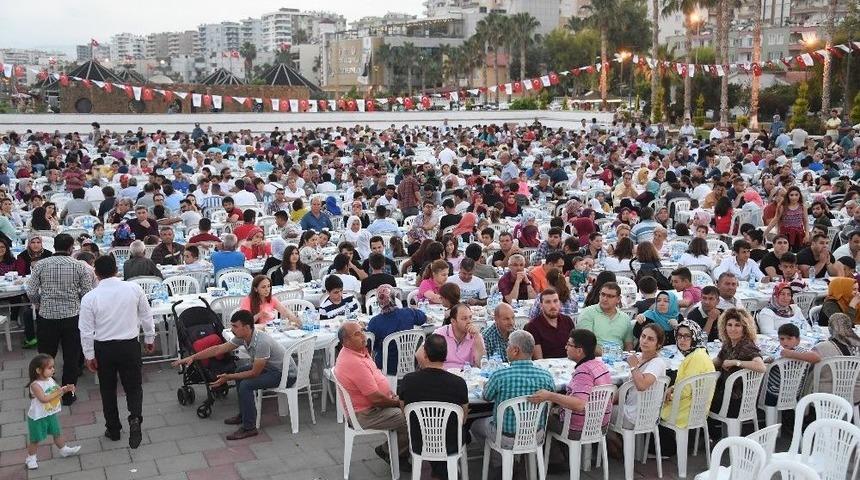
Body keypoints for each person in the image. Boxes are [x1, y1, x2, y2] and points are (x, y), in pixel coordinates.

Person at [173, 310, 296, 440]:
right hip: (270, 368)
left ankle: (249, 428)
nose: (231, 330)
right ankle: (243, 415)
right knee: (239, 371)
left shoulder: (261, 342)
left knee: (246, 385)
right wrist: (193, 357)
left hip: (285, 374)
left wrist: (228, 377)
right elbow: (218, 349)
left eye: (235, 326)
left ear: (247, 327)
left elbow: (254, 373)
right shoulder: (243, 337)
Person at [79, 255, 155, 448]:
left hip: (104, 348)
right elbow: (146, 314)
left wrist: (89, 355)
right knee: (134, 385)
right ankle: (135, 417)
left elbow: (86, 330)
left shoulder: (90, 297)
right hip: (129, 345)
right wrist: (149, 337)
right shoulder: (133, 289)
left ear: (96, 274)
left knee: (107, 389)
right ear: (117, 270)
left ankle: (113, 428)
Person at [26, 233, 93, 406]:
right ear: (71, 248)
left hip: (47, 316)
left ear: (54, 246)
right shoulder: (79, 266)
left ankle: (43, 391)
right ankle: (68, 395)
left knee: (45, 356)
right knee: (71, 357)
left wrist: (39, 303)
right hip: (72, 316)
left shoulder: (41, 264)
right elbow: (86, 292)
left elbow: (31, 291)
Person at [334, 321, 410, 467]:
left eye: (362, 331)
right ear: (346, 341)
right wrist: (398, 403)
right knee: (411, 417)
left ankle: (398, 451)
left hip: (375, 406)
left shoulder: (359, 351)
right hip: (364, 414)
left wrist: (392, 396)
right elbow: (375, 399)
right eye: (357, 334)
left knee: (410, 409)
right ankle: (389, 451)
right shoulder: (353, 362)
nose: (363, 336)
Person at [470, 330, 554, 456]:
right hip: (536, 434)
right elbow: (551, 400)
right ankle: (517, 461)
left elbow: (486, 397)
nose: (506, 349)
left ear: (515, 350)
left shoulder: (500, 375)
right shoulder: (546, 376)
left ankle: (498, 461)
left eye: (508, 346)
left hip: (506, 437)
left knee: (475, 425)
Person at [399, 333, 470, 480]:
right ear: (446, 354)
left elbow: (404, 412)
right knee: (464, 431)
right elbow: (462, 419)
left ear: (424, 354)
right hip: (451, 442)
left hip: (419, 439)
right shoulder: (458, 383)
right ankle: (444, 472)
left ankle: (439, 471)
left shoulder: (408, 381)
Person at [527, 328, 612, 448]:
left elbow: (578, 404)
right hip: (600, 423)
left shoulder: (584, 371)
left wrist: (549, 395)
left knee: (542, 417)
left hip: (579, 427)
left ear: (579, 351)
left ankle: (554, 458)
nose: (566, 347)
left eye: (569, 345)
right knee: (554, 407)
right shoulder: (600, 364)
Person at [657, 321, 716, 455]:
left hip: (684, 412)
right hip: (696, 409)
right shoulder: (700, 353)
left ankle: (664, 451)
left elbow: (684, 390)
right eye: (679, 336)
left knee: (648, 410)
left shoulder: (696, 358)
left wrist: (668, 394)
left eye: (687, 336)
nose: (682, 340)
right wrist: (672, 388)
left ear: (695, 337)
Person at [609, 324, 667, 442]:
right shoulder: (639, 357)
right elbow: (628, 385)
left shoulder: (657, 363)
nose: (645, 341)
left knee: (596, 413)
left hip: (637, 415)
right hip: (632, 409)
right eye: (643, 336)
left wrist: (633, 366)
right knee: (609, 395)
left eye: (650, 339)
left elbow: (641, 385)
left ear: (659, 344)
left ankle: (612, 444)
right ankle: (615, 442)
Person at [24, 354, 82, 470]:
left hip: (50, 413)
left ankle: (63, 449)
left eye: (53, 367)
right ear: (39, 370)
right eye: (50, 368)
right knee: (35, 439)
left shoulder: (50, 380)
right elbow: (44, 399)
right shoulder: (35, 385)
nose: (53, 369)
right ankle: (31, 458)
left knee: (57, 433)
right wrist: (60, 391)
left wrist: (66, 389)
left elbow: (58, 391)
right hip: (37, 416)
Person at [711, 309, 766, 422]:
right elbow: (719, 360)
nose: (732, 329)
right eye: (729, 325)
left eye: (737, 325)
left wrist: (736, 362)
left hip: (737, 399)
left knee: (699, 401)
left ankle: (709, 435)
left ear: (744, 328)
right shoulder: (729, 343)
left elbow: (761, 367)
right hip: (727, 392)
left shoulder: (746, 345)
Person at [367, 284, 428, 374]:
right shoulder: (408, 313)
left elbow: (371, 345)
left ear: (378, 302)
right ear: (394, 298)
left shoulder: (375, 322)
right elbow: (423, 318)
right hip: (410, 362)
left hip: (387, 366)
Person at [763, 323, 821, 407]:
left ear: (798, 340)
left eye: (789, 339)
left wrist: (791, 354)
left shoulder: (798, 350)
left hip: (776, 391)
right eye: (782, 339)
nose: (785, 342)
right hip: (792, 392)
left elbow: (817, 358)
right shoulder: (780, 351)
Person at [812, 313, 860, 402]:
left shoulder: (821, 347)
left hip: (828, 395)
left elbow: (809, 370)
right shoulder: (858, 344)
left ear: (830, 328)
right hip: (856, 394)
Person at [577, 282, 634, 350]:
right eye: (603, 294)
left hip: (619, 358)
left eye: (610, 296)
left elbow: (628, 344)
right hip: (594, 358)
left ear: (618, 299)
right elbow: (586, 343)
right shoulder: (588, 313)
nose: (605, 299)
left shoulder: (625, 318)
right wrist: (608, 356)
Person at [524, 287, 576, 359]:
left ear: (560, 303)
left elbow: (575, 349)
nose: (553, 306)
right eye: (548, 302)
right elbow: (539, 360)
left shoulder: (567, 321)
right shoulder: (533, 326)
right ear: (541, 306)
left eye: (555, 301)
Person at [433, 303, 486, 369]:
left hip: (466, 374)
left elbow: (480, 364)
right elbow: (420, 354)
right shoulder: (440, 333)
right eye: (464, 318)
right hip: (444, 374)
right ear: (453, 321)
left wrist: (477, 337)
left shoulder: (475, 335)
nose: (469, 321)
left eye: (470, 317)